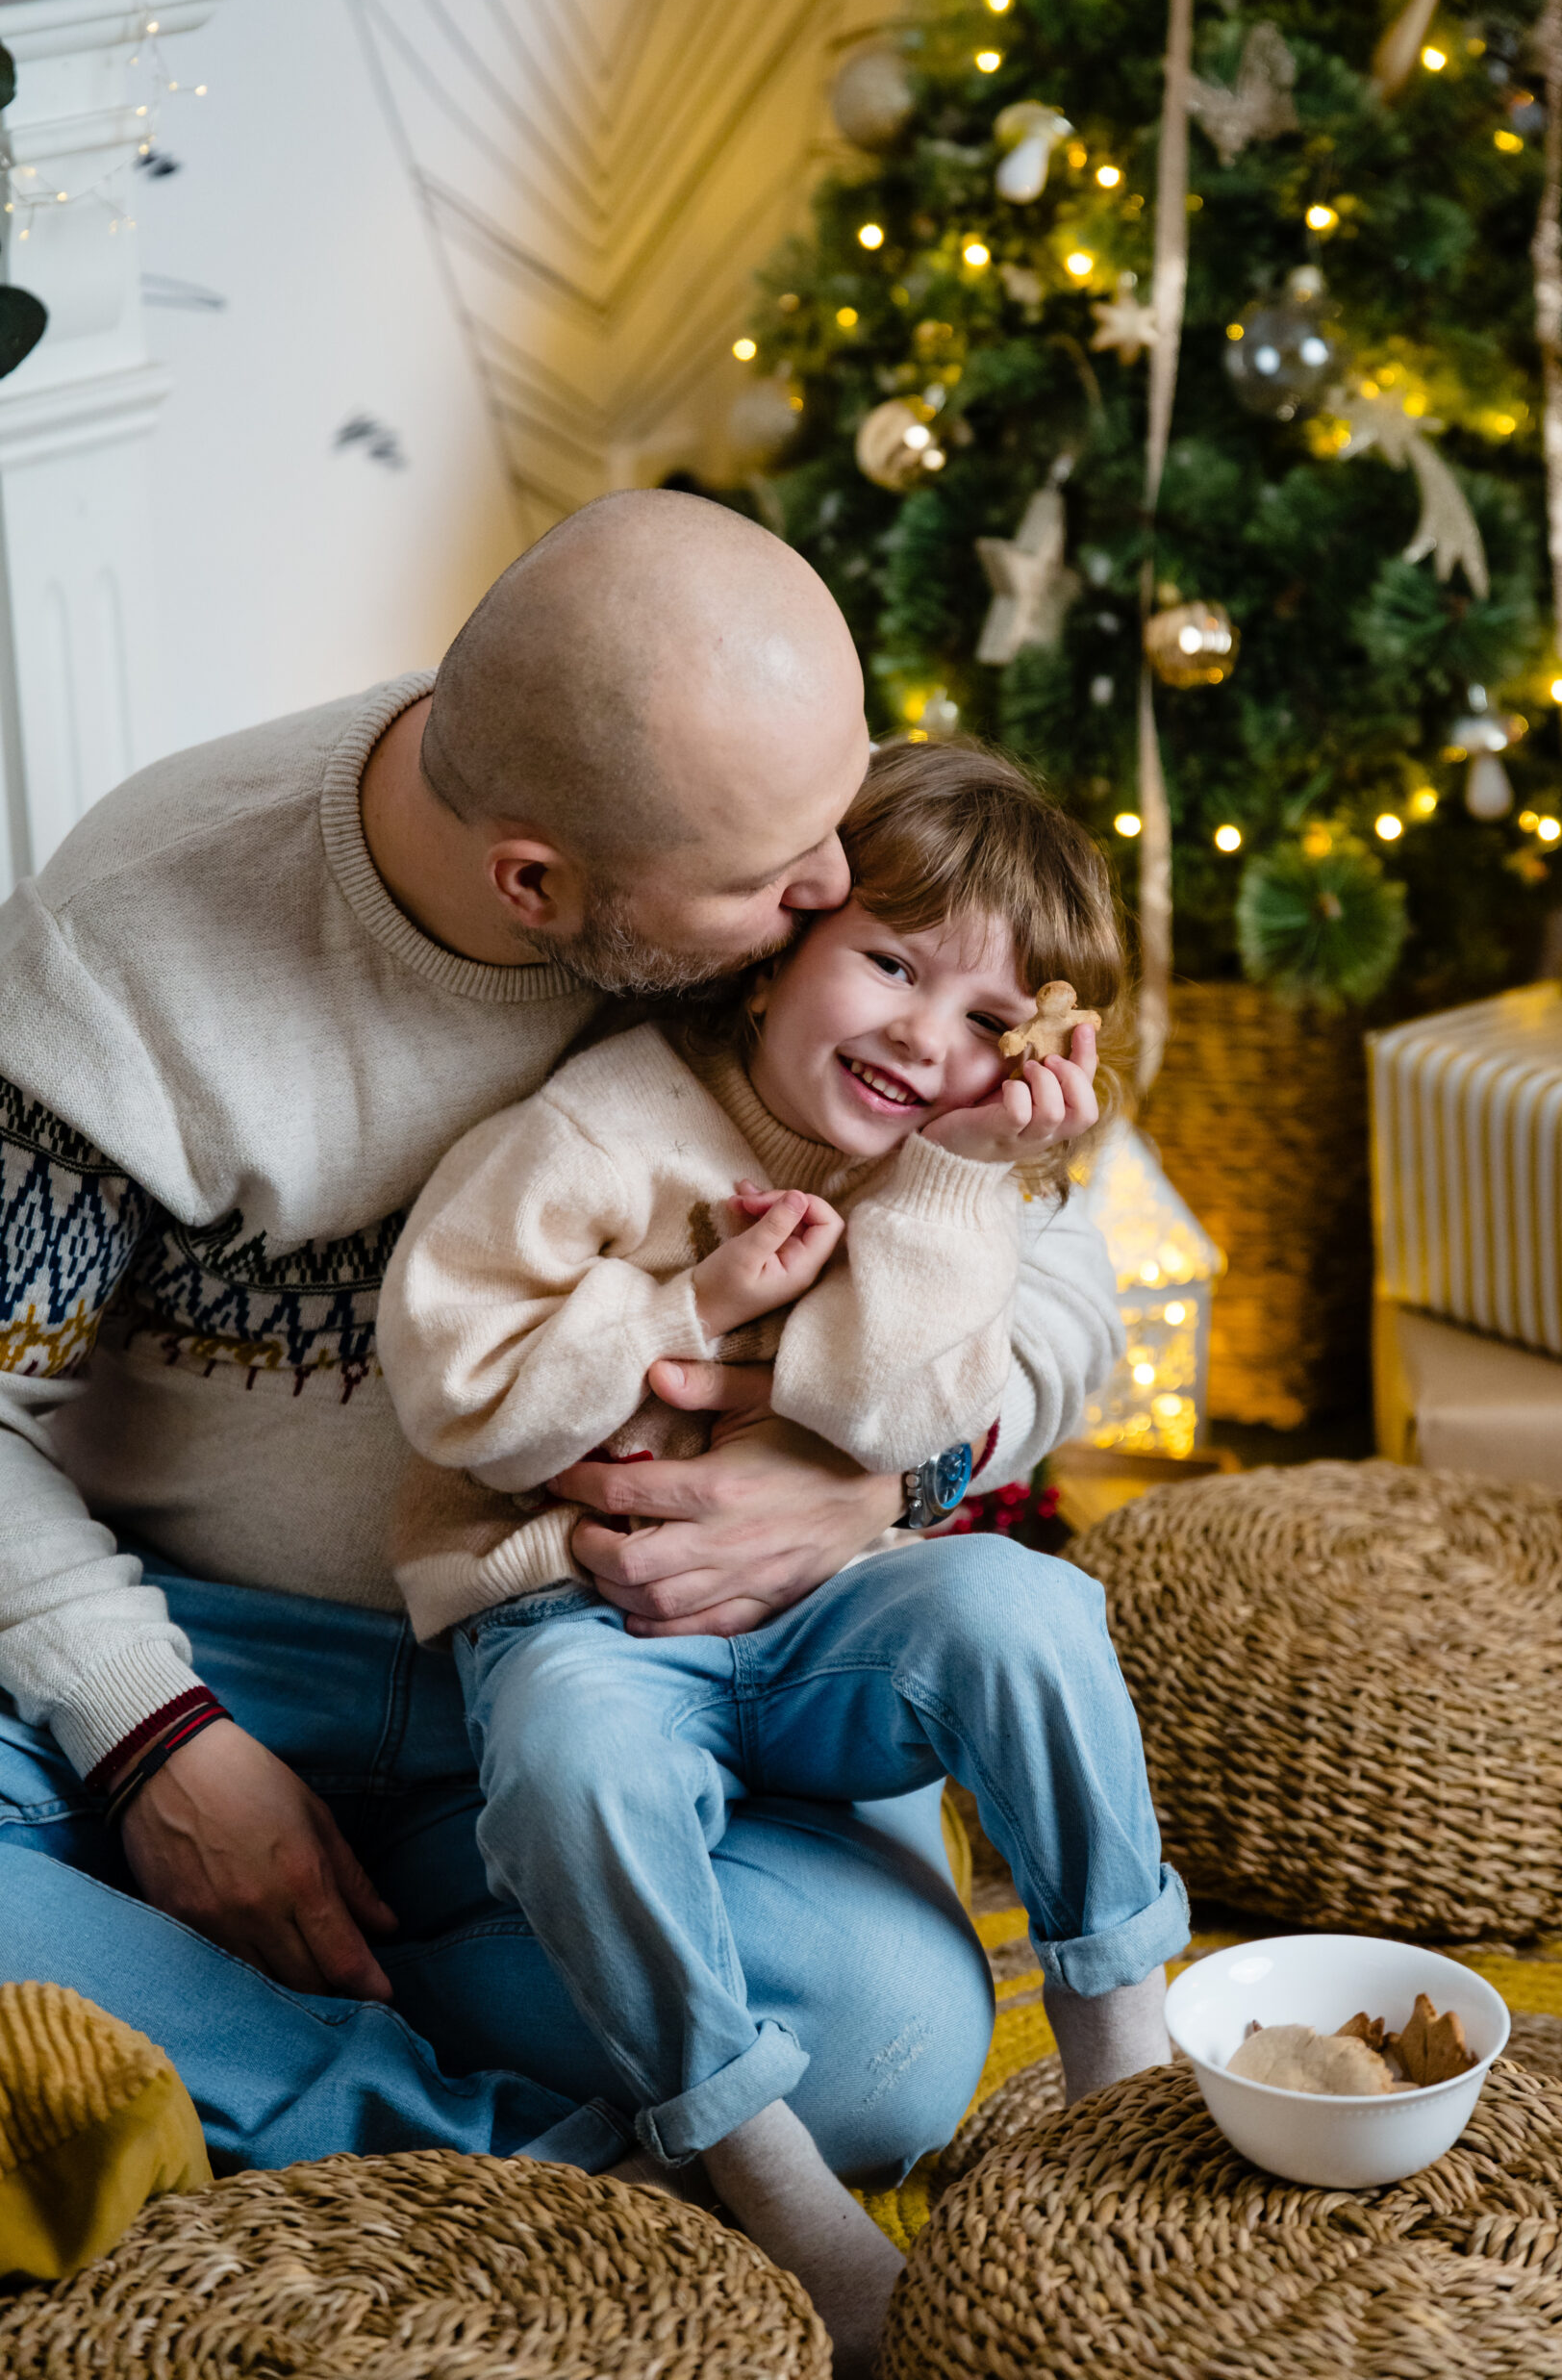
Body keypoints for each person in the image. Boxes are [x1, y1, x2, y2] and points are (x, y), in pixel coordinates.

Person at [0, 491, 1124, 2190]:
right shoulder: (133, 953)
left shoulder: (760, 802)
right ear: (540, 886)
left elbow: (1057, 1278)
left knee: (889, 2042)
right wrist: (152, 1734)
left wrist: (876, 1490)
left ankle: (194, 2051)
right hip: (215, 1654)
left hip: (625, 1664)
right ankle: (430, 2125)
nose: (839, 888)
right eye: (782, 882)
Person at [378, 740, 1187, 2371]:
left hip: (827, 1629)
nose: (917, 1035)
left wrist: (958, 1179)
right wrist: (689, 1307)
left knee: (1026, 1605)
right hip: (583, 1618)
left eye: (984, 1019)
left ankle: (1127, 2072)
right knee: (571, 1749)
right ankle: (764, 2176)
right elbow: (455, 1388)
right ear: (779, 952)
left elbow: (886, 1406)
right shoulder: (606, 1128)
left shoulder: (962, 1169)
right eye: (889, 963)